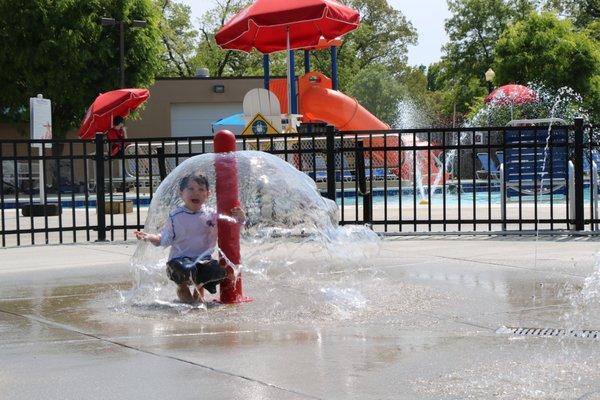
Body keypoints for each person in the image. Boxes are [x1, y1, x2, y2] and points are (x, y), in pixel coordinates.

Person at [134, 174, 245, 304]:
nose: (196, 193)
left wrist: (241, 218)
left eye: (201, 189)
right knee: (187, 270)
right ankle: (185, 295)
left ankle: (198, 295)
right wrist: (149, 237)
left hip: (202, 260)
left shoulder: (212, 215)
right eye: (190, 189)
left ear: (208, 194)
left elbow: (231, 229)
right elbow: (165, 238)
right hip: (179, 262)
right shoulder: (176, 216)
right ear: (182, 193)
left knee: (218, 271)